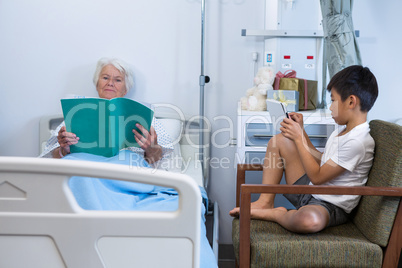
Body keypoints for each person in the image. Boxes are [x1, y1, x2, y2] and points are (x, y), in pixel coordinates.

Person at [230, 65, 379, 233]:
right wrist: (302, 132)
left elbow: (317, 177)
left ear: (351, 101)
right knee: (279, 141)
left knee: (308, 221)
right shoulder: (344, 132)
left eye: (333, 101)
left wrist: (299, 139)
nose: (330, 107)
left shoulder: (358, 142)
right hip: (312, 192)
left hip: (330, 205)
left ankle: (276, 214)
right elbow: (322, 161)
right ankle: (265, 201)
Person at [39, 57, 174, 170]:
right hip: (84, 169)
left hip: (125, 170)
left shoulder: (146, 118)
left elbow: (166, 163)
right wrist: (64, 149)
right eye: (105, 78)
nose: (110, 83)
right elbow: (50, 159)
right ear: (97, 84)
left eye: (118, 80)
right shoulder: (75, 115)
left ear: (125, 89)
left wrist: (152, 149)